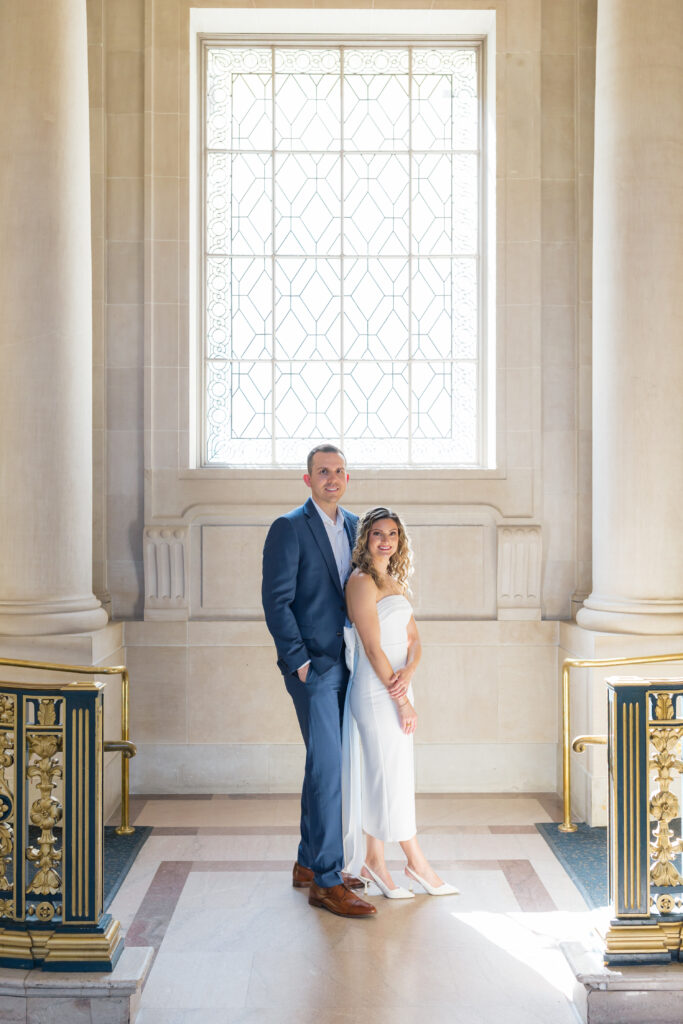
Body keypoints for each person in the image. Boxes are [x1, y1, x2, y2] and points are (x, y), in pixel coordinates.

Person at [262, 444, 376, 919]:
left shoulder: (355, 526)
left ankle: (308, 862)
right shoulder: (288, 528)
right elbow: (276, 600)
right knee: (329, 770)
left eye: (339, 471)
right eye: (323, 471)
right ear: (307, 479)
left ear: (347, 478)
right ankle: (328, 882)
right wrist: (300, 662)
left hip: (349, 664)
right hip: (314, 669)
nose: (332, 478)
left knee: (325, 766)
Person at [343, 507, 459, 898]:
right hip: (376, 692)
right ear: (366, 539)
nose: (386, 540)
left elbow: (414, 641)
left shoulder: (394, 582)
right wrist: (400, 700)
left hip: (397, 686)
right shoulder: (360, 582)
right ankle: (417, 863)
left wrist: (409, 675)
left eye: (392, 534)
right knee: (387, 776)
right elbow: (373, 648)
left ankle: (374, 860)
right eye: (378, 533)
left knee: (388, 776)